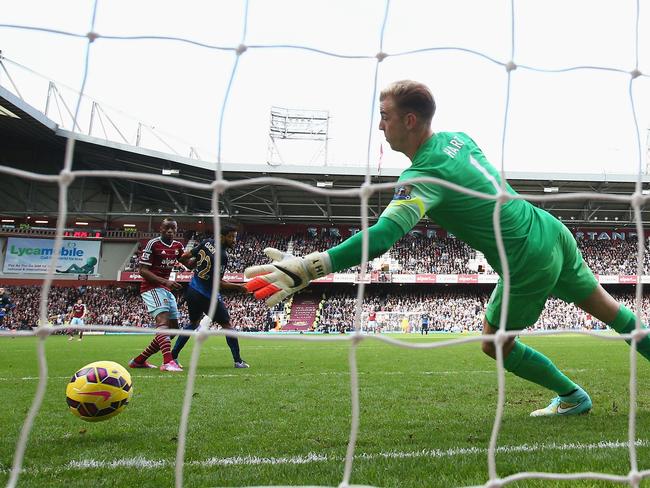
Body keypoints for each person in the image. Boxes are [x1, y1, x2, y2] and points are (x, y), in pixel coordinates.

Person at [244, 79, 650, 417]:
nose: (380, 126)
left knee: (494, 344)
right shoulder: (459, 138)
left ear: (409, 119)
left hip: (526, 255)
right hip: (547, 228)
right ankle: (574, 396)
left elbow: (384, 236)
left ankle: (572, 397)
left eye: (384, 117)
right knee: (612, 312)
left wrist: (312, 266)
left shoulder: (423, 176)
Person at [172, 224, 250, 368]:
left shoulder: (207, 242)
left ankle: (173, 357)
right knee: (227, 326)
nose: (234, 240)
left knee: (193, 323)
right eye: (231, 237)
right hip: (207, 295)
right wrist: (240, 288)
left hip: (192, 290)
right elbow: (218, 283)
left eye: (235, 237)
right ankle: (238, 361)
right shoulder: (222, 256)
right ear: (222, 236)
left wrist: (190, 266)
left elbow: (184, 258)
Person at [129, 218, 185, 372]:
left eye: (173, 228)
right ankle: (168, 362)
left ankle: (139, 360)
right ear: (161, 228)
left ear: (176, 230)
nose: (170, 231)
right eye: (167, 228)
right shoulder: (153, 243)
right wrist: (165, 282)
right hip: (151, 287)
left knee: (174, 329)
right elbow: (142, 270)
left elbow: (187, 261)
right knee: (163, 323)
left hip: (165, 289)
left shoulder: (178, 246)